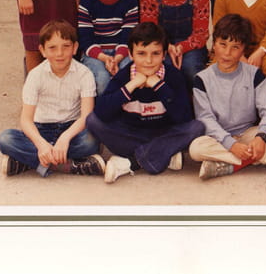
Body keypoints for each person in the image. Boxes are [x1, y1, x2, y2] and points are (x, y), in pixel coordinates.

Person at [86, 22, 205, 182]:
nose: (148, 60)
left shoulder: (173, 76)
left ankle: (133, 161)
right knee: (93, 121)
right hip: (131, 133)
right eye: (141, 53)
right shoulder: (124, 76)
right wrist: (131, 86)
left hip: (164, 132)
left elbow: (184, 117)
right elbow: (102, 112)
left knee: (197, 127)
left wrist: (159, 86)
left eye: (155, 53)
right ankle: (163, 153)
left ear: (164, 54)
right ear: (131, 54)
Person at [0, 20, 105, 177]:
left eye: (66, 46)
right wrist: (41, 144)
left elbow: (86, 116)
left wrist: (65, 138)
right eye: (52, 48)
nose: (59, 53)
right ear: (42, 50)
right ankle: (67, 165)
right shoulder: (35, 75)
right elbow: (26, 120)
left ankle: (27, 162)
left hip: (71, 129)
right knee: (5, 139)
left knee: (92, 141)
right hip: (41, 129)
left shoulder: (84, 74)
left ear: (75, 48)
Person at [189, 14, 266, 180]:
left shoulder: (254, 75)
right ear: (214, 44)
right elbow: (205, 118)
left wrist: (261, 137)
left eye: (235, 47)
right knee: (196, 149)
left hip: (248, 133)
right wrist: (230, 144)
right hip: (218, 137)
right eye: (222, 44)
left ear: (244, 50)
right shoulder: (202, 79)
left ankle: (229, 164)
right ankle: (258, 158)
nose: (227, 53)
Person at [140, 0, 210, 91]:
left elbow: (201, 34)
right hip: (159, 45)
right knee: (166, 70)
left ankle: (196, 103)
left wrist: (181, 48)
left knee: (191, 69)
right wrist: (167, 47)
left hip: (191, 46)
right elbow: (149, 31)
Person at [77, 0, 139, 95]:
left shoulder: (130, 1)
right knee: (102, 78)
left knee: (127, 74)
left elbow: (129, 37)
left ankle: (125, 107)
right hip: (94, 53)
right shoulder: (86, 2)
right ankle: (103, 108)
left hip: (123, 51)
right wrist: (104, 58)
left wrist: (116, 58)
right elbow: (85, 39)